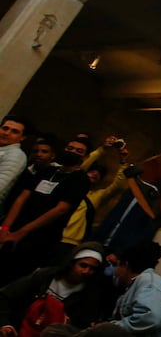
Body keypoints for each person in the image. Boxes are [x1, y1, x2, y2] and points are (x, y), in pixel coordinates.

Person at [0, 138, 91, 285]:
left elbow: (61, 209)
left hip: (40, 237)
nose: (72, 152)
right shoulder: (48, 170)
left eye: (78, 151)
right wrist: (5, 228)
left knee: (14, 278)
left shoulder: (80, 179)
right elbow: (22, 198)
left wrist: (22, 232)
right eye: (70, 148)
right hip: (14, 228)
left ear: (86, 157)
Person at [0, 242, 105, 335]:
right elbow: (4, 296)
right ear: (72, 263)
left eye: (92, 269)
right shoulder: (45, 276)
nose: (86, 271)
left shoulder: (90, 294)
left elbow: (81, 328)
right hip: (17, 327)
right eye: (83, 265)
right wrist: (5, 324)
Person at [110, 240, 161, 337]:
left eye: (116, 265)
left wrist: (109, 327)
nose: (114, 271)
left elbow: (151, 319)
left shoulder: (149, 282)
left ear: (126, 265)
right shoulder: (134, 285)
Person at [0, 116, 30, 212]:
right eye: (5, 128)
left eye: (14, 131)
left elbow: (1, 184)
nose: (7, 133)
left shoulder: (15, 154)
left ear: (22, 137)